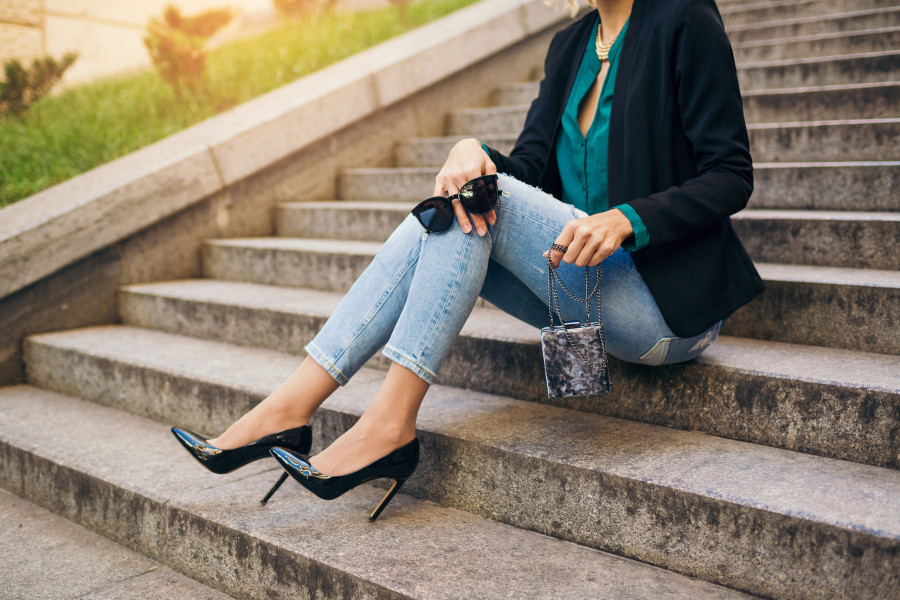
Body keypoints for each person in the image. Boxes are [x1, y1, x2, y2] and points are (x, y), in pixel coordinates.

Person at [171, 0, 764, 520]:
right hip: (580, 285)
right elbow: (528, 170)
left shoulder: (683, 17)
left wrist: (627, 219)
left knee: (481, 202)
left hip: (665, 303)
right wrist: (471, 149)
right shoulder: (570, 46)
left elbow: (731, 174)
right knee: (464, 200)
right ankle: (300, 409)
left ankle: (364, 422)